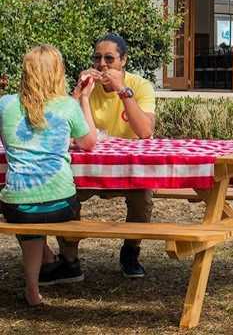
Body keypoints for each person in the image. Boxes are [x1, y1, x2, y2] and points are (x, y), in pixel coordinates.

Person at [42, 33, 157, 284]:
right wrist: (77, 92)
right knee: (64, 194)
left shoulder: (140, 86)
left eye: (109, 59)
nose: (102, 65)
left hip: (127, 169)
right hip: (88, 169)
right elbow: (60, 126)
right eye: (97, 59)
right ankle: (69, 260)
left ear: (123, 60)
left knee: (143, 194)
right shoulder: (88, 87)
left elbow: (145, 132)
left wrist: (121, 91)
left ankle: (131, 251)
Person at [0, 45, 97, 306]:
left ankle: (33, 286)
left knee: (24, 210)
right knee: (47, 204)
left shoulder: (5, 104)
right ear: (58, 73)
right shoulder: (67, 105)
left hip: (18, 205)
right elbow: (89, 143)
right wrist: (84, 98)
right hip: (61, 204)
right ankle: (62, 261)